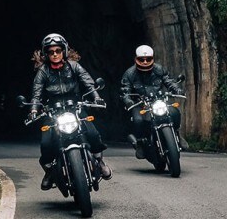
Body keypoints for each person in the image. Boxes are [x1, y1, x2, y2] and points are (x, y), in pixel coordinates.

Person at [30, 33, 112, 190]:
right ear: (46, 54)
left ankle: (99, 161)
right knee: (46, 142)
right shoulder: (43, 72)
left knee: (93, 133)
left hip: (75, 107)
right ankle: (49, 171)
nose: (55, 54)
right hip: (52, 111)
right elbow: (36, 93)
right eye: (51, 51)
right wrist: (34, 109)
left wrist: (96, 97)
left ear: (64, 51)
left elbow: (88, 82)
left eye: (58, 50)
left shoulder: (74, 66)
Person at [120, 44, 183, 158]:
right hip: (140, 103)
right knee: (138, 120)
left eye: (148, 59)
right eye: (141, 59)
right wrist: (128, 101)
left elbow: (168, 80)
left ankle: (177, 133)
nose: (145, 62)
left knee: (174, 112)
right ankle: (140, 142)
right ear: (136, 59)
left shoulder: (159, 69)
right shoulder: (130, 74)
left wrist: (177, 89)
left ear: (152, 59)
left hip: (158, 101)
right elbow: (125, 90)